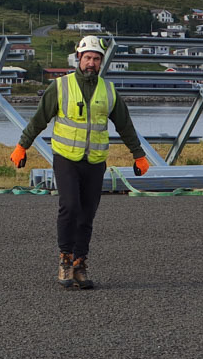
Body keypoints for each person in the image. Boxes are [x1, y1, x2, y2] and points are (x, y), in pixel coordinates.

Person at [10, 35, 150, 289]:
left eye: (96, 59)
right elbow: (39, 119)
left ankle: (79, 264)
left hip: (95, 161)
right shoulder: (60, 86)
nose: (91, 63)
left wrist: (138, 154)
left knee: (87, 214)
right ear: (79, 58)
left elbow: (125, 125)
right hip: (66, 158)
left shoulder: (108, 91)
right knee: (70, 206)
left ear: (101, 62)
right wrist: (22, 146)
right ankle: (64, 259)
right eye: (87, 58)